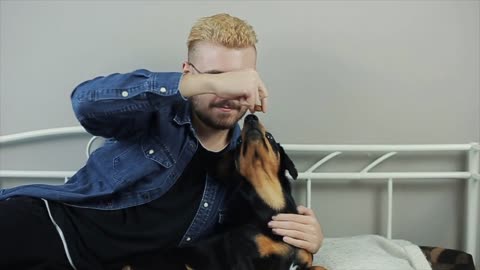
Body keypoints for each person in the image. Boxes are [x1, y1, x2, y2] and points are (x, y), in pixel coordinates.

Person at [0, 13, 323, 269]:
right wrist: (202, 84)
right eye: (217, 77)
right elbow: (85, 102)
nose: (229, 92)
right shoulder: (152, 114)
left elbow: (258, 238)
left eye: (240, 78)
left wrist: (310, 238)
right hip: (46, 227)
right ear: (189, 73)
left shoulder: (250, 166)